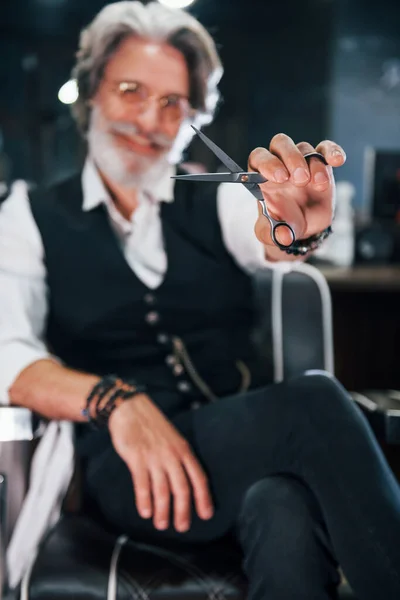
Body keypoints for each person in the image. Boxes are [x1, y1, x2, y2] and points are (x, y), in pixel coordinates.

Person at [0, 2, 400, 599]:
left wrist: (296, 225)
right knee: (315, 401)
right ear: (90, 95)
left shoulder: (217, 201)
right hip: (125, 472)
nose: (149, 119)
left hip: (242, 455)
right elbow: (7, 353)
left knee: (281, 506)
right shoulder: (28, 216)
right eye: (131, 91)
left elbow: (269, 233)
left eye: (172, 104)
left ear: (193, 116)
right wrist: (116, 401)